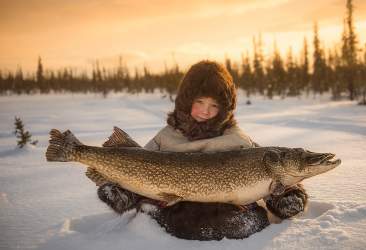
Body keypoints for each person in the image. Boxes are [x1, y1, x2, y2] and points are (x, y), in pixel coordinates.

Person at [89, 60, 308, 239]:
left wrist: (287, 197)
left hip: (229, 214)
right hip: (173, 212)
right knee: (155, 214)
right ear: (186, 101)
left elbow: (270, 171)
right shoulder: (166, 138)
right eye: (200, 102)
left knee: (240, 222)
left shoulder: (237, 140)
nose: (205, 111)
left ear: (225, 110)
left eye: (214, 106)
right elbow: (138, 166)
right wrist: (122, 191)